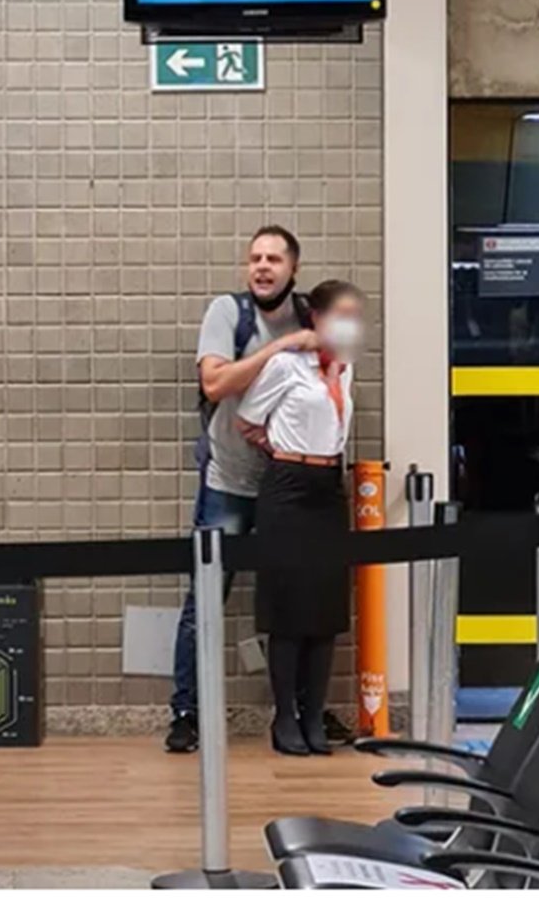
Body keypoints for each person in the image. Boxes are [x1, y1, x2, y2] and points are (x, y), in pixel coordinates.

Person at [166, 226, 317, 754]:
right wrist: (282, 349)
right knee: (205, 600)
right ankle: (185, 711)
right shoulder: (228, 314)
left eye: (274, 258)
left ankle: (298, 714)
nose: (262, 266)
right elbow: (215, 384)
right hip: (226, 481)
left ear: (293, 268)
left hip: (287, 487)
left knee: (293, 604)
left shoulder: (310, 316)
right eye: (254, 257)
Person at [236, 280, 364, 756]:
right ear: (316, 318)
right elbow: (247, 421)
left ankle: (315, 713)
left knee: (326, 608)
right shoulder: (287, 365)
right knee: (288, 608)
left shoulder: (346, 370)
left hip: (329, 488)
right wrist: (285, 453)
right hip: (288, 485)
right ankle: (285, 714)